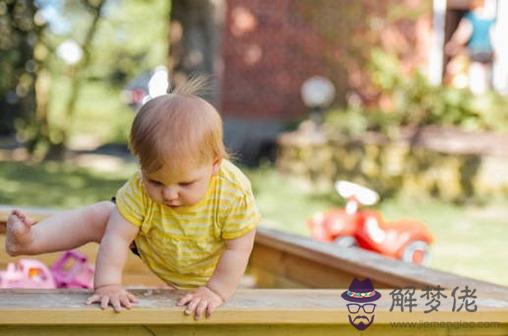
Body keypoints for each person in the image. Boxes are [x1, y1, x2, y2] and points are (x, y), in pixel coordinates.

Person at [5, 77, 261, 320]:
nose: (169, 194)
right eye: (156, 181)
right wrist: (107, 285)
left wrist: (215, 291)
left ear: (215, 165)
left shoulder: (232, 193)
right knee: (103, 216)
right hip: (155, 242)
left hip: (207, 264)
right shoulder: (138, 188)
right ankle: (30, 240)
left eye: (185, 183)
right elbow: (116, 237)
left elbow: (238, 248)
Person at [445, 0, 496, 94]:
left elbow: (463, 34)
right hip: (488, 52)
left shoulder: (471, 18)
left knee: (476, 81)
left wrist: (453, 44)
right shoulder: (491, 19)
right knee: (486, 80)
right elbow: (494, 36)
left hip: (475, 52)